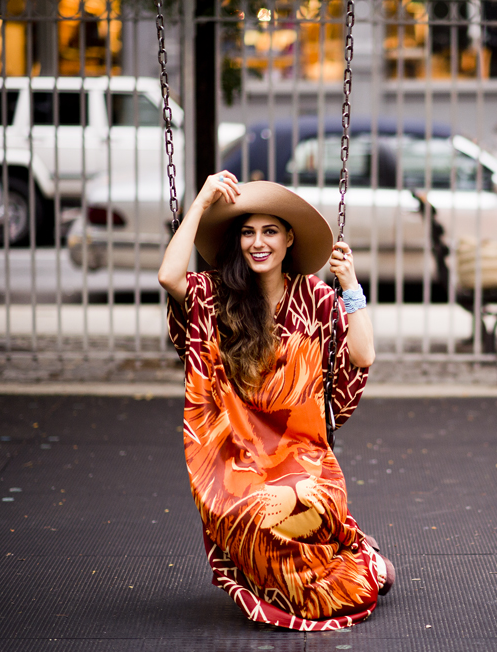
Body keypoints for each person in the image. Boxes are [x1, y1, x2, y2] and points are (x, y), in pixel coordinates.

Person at [158, 172, 392, 629]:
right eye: (248, 232)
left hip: (301, 456)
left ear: (289, 239)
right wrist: (202, 201)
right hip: (238, 456)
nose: (257, 242)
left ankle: (357, 564)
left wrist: (350, 287)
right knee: (256, 514)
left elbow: (363, 355)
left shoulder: (314, 297)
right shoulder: (218, 294)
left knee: (311, 505)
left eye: (269, 231)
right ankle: (322, 573)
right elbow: (169, 276)